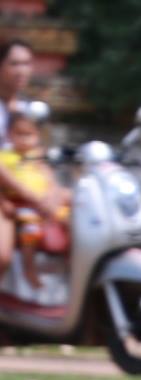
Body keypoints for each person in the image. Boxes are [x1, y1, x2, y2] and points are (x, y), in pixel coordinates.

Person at [0, 37, 59, 278]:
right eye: (14, 63)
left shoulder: (27, 110)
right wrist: (32, 196)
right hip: (5, 196)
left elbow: (39, 157)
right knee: (1, 255)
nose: (22, 70)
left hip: (28, 189)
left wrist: (53, 191)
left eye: (27, 63)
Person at [1, 104, 67, 290]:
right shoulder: (5, 158)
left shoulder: (37, 157)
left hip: (41, 201)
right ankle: (28, 268)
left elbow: (49, 178)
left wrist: (50, 197)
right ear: (9, 135)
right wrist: (4, 201)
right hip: (21, 203)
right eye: (18, 134)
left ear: (37, 137)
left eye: (28, 135)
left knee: (71, 216)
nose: (23, 140)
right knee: (30, 229)